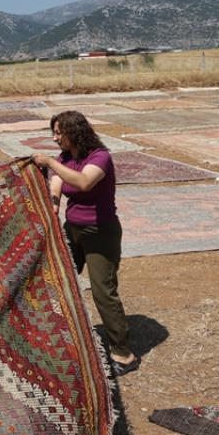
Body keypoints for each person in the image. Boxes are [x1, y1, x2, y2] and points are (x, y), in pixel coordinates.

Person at [33, 110, 140, 376]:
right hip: (74, 230)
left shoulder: (100, 158)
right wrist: (53, 206)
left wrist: (49, 162)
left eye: (59, 133)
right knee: (57, 278)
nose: (55, 138)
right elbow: (57, 184)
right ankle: (59, 337)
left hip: (100, 232)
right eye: (54, 133)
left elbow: (82, 182)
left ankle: (124, 354)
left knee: (103, 292)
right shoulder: (66, 158)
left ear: (74, 132)